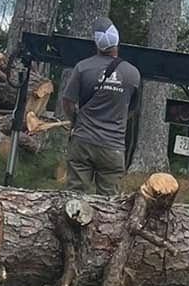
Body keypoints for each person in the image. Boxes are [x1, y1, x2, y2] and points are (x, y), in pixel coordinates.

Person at [59, 23, 142, 194]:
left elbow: (67, 101)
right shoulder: (133, 74)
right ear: (117, 42)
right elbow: (133, 109)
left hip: (83, 142)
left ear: (97, 43)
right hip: (113, 146)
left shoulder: (82, 68)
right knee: (110, 204)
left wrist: (75, 121)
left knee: (74, 196)